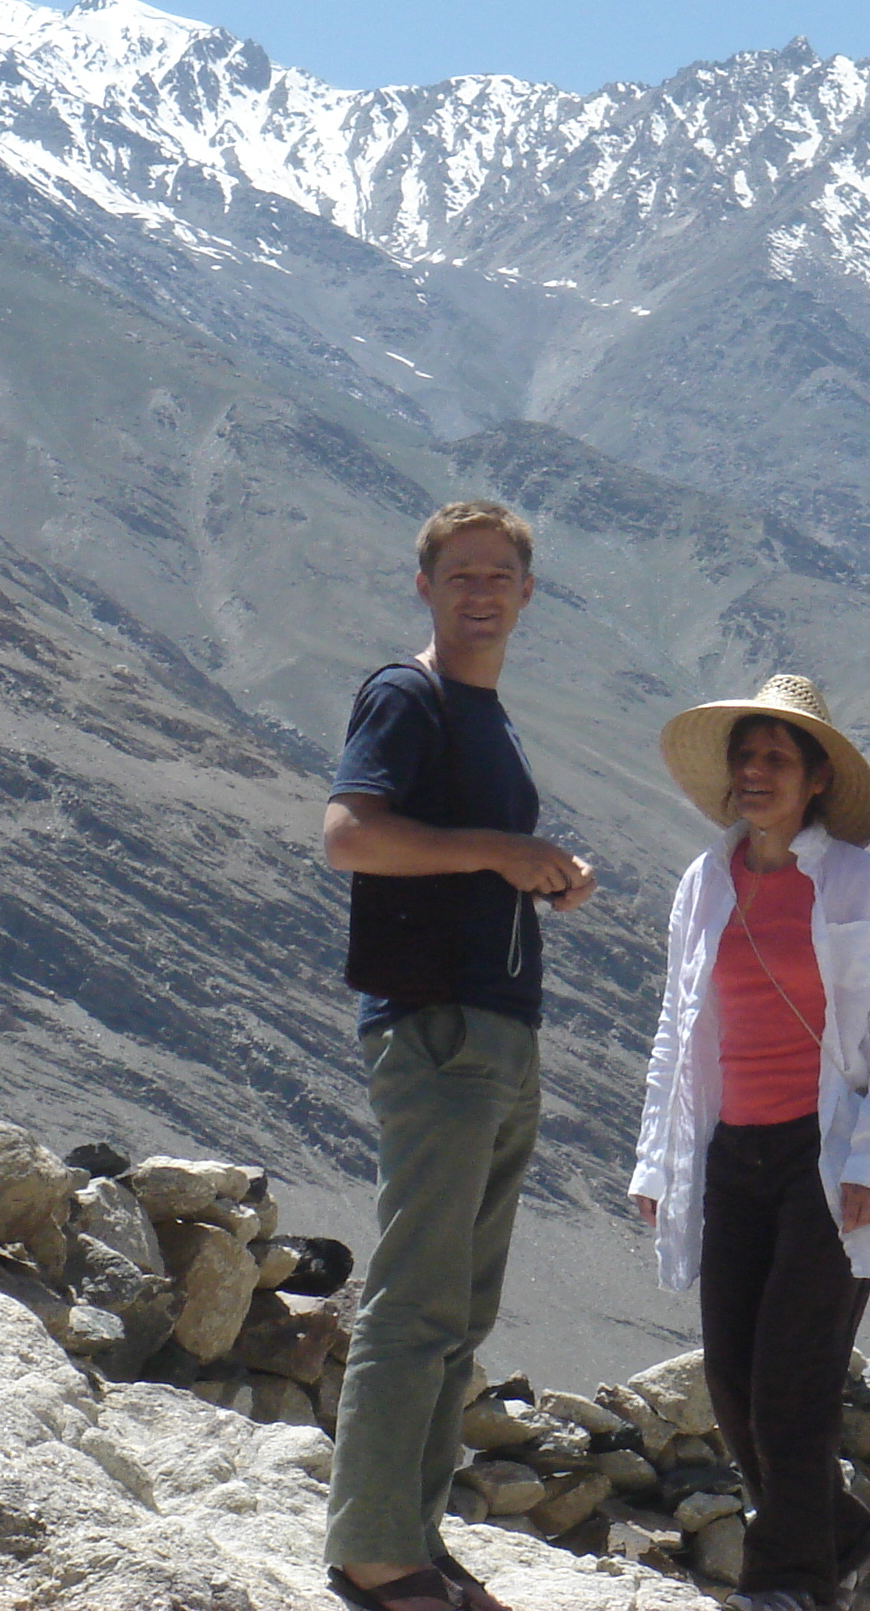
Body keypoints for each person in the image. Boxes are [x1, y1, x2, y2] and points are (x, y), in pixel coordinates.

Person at [322, 500, 597, 1611]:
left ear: (527, 593)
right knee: (416, 1297)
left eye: (499, 576)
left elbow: (473, 858)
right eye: (460, 575)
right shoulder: (409, 696)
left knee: (462, 1308)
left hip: (497, 1027)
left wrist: (537, 872)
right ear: (425, 587)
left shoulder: (487, 715)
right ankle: (374, 1550)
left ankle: (417, 1539)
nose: (480, 593)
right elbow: (349, 835)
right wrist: (501, 850)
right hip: (435, 1025)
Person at [631, 673, 870, 1611]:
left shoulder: (858, 884)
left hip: (823, 1157)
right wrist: (655, 1159)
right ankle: (839, 1533)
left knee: (790, 1385)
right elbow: (677, 1029)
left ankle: (790, 1586)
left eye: (777, 757)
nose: (756, 772)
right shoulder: (703, 882)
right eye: (746, 757)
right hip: (733, 1156)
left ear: (815, 779)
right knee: (731, 1380)